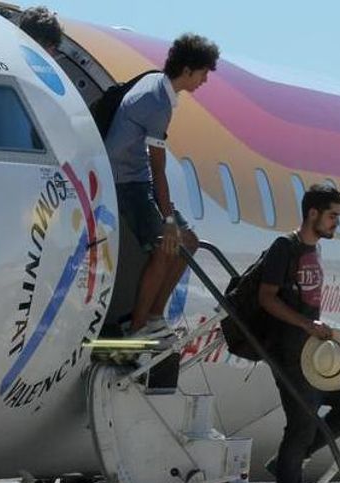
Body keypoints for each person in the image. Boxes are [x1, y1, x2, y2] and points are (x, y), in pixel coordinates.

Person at [261, 185, 340, 483]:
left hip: (314, 353)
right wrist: (306, 324)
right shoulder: (284, 248)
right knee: (302, 423)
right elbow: (267, 299)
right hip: (288, 352)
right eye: (333, 216)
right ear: (313, 213)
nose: (336, 223)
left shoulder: (314, 250)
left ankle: (288, 463)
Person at [105, 33, 219, 337]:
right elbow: (158, 167)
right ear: (188, 70)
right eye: (204, 73)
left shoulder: (158, 85)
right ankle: (137, 327)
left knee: (189, 243)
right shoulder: (157, 104)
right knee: (165, 248)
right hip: (125, 181)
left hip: (137, 177)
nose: (204, 81)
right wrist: (168, 220)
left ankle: (154, 316)